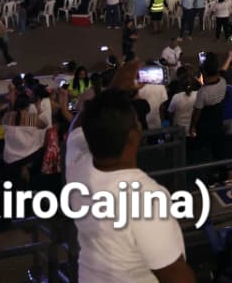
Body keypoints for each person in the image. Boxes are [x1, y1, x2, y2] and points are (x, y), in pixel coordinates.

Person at [65, 59, 195, 282]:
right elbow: (176, 276)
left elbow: (76, 129)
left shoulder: (77, 167)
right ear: (134, 137)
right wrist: (113, 90)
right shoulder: (146, 199)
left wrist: (111, 92)